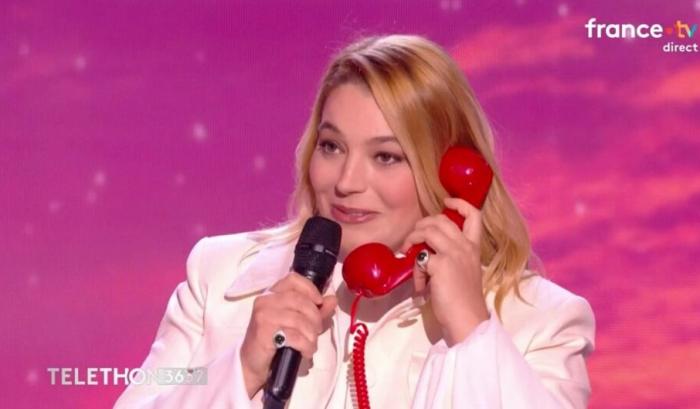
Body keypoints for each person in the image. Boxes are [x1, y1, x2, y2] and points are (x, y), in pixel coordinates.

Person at [114, 34, 595, 409]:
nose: (345, 182)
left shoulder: (542, 322)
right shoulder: (218, 279)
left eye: (386, 156)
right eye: (332, 147)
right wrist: (240, 370)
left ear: (451, 170)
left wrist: (471, 332)